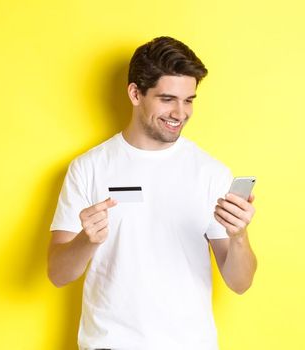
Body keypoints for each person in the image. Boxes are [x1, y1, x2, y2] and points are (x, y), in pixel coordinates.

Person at [47, 36, 258, 350]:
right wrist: (86, 240)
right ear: (135, 93)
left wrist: (239, 235)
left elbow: (240, 283)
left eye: (189, 100)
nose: (180, 112)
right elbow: (58, 274)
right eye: (167, 98)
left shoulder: (210, 173)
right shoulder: (88, 168)